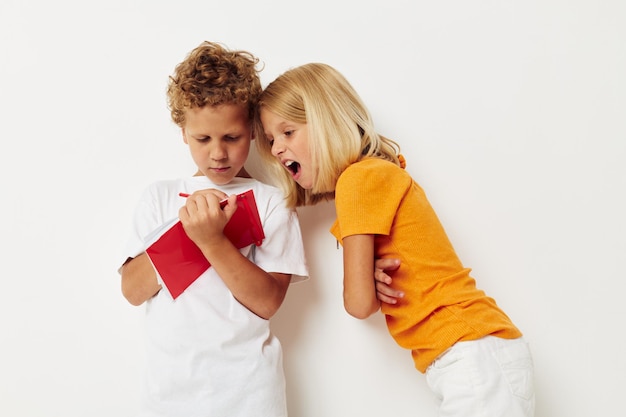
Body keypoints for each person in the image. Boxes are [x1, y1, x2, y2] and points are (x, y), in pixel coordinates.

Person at [256, 62, 535, 417]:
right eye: (270, 140)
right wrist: (368, 273)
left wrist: (363, 279)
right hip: (472, 354)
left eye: (288, 132)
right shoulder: (374, 174)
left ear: (326, 121)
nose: (278, 149)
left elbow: (359, 304)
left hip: (470, 353)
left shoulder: (357, 181)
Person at [119, 41, 309, 417]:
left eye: (232, 138)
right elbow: (132, 290)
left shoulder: (272, 202)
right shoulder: (159, 198)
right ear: (183, 133)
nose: (218, 154)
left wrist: (212, 241)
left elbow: (268, 302)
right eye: (203, 139)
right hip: (169, 396)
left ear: (252, 130)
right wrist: (185, 233)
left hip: (249, 394)